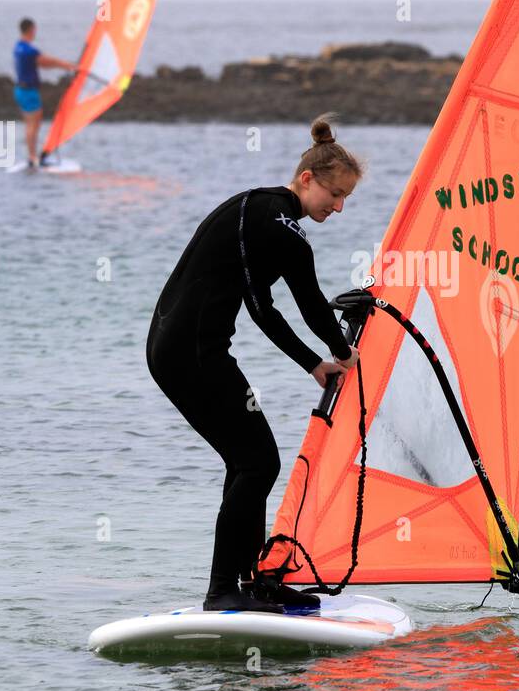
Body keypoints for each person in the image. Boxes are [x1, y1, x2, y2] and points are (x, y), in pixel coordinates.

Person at [147, 113, 363, 612]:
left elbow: (262, 308)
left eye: (347, 198)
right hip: (192, 353)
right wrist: (345, 351)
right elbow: (310, 303)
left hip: (179, 349)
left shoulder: (257, 211)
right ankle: (224, 590)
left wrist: (314, 364)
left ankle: (247, 584)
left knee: (248, 462)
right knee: (258, 460)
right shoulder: (283, 225)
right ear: (306, 179)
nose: (339, 206)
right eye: (335, 194)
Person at [13, 18, 78, 169]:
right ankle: (33, 157)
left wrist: (64, 65)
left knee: (30, 125)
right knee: (33, 125)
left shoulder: (18, 47)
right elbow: (47, 62)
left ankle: (32, 156)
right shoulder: (30, 51)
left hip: (19, 90)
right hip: (28, 92)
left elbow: (44, 62)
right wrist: (67, 65)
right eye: (35, 29)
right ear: (31, 29)